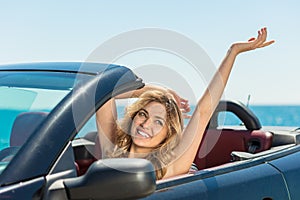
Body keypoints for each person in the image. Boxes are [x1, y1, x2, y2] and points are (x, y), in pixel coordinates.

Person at [96, 27, 275, 180]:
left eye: (159, 122)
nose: (146, 124)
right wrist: (153, 89)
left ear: (167, 135)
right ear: (134, 117)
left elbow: (204, 111)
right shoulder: (111, 150)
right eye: (143, 114)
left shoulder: (170, 167)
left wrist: (232, 52)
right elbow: (101, 90)